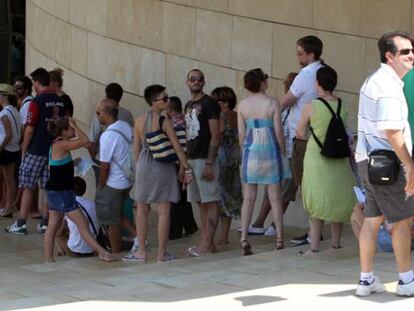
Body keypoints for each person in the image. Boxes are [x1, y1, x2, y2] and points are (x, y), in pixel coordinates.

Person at [355, 31, 414, 297]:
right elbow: (392, 131)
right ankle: (406, 281)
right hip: (388, 165)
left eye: (412, 51)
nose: (411, 55)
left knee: (372, 220)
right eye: (404, 52)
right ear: (389, 56)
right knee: (402, 221)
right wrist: (410, 165)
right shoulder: (388, 87)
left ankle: (366, 281)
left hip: (368, 162)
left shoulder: (374, 80)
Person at [123, 85, 192, 263]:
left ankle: (141, 252)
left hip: (144, 165)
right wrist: (186, 167)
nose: (168, 101)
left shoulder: (138, 121)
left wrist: (139, 170)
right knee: (164, 211)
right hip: (163, 166)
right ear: (154, 102)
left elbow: (136, 150)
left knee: (142, 209)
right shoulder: (164, 121)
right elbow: (177, 147)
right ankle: (161, 253)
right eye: (164, 98)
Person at [295, 66, 356, 255]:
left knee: (317, 200)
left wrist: (308, 137)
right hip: (338, 156)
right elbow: (345, 130)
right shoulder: (342, 105)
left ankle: (313, 247)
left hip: (317, 156)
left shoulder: (311, 106)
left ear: (317, 84)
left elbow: (299, 131)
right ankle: (335, 244)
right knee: (337, 199)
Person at [43, 117, 115, 263]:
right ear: (64, 131)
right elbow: (85, 140)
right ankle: (102, 252)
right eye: (69, 128)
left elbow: (57, 166)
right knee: (82, 223)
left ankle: (49, 259)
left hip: (55, 191)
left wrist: (73, 163)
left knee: (53, 224)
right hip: (62, 193)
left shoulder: (57, 144)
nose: (73, 130)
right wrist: (75, 126)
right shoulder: (62, 144)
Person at [5, 68, 66, 235]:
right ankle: (45, 223)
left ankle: (21, 223)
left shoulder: (36, 102)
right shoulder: (60, 101)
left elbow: (30, 129)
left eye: (34, 83)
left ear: (38, 83)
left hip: (36, 150)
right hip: (53, 150)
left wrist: (23, 151)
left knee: (27, 186)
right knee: (47, 186)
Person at [280, 36, 325, 245]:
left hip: (303, 137)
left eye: (300, 53)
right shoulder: (324, 71)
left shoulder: (305, 74)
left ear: (311, 54)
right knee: (316, 183)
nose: (298, 57)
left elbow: (286, 101)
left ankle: (312, 233)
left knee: (305, 185)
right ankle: (317, 230)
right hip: (320, 134)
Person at [238, 68, 286, 255]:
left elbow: (241, 134)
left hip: (251, 152)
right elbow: (279, 132)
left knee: (248, 197)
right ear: (261, 82)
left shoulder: (242, 105)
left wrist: (245, 150)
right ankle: (280, 237)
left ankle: (244, 238)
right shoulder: (272, 103)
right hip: (271, 151)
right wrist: (282, 152)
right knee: (275, 197)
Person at [247, 72, 298, 236]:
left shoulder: (300, 108)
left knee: (286, 191)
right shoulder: (281, 107)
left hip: (292, 153)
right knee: (270, 190)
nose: (288, 87)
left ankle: (275, 226)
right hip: (276, 153)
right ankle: (259, 222)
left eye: (292, 84)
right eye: (287, 84)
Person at [184, 69, 221, 256]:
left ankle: (207, 244)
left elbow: (216, 134)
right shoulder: (189, 104)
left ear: (204, 82)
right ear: (187, 82)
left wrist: (209, 162)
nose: (196, 81)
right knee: (199, 202)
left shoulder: (210, 103)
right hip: (192, 158)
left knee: (211, 201)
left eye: (199, 79)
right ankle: (207, 242)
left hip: (205, 159)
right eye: (192, 79)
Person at [95, 99, 133, 254]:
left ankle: (116, 253)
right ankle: (139, 239)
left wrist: (101, 185)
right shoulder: (126, 126)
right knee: (120, 215)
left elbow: (104, 167)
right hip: (127, 180)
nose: (97, 116)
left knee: (112, 222)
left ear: (106, 113)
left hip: (113, 184)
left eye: (98, 113)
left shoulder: (107, 135)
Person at [211, 86, 242, 245]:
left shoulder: (221, 116)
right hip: (235, 158)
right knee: (230, 195)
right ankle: (224, 237)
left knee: (218, 198)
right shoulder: (237, 115)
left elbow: (218, 134)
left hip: (222, 158)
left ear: (223, 102)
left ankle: (212, 236)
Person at [88, 83, 134, 186]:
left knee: (102, 192)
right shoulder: (127, 115)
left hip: (103, 161)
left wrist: (94, 157)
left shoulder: (101, 114)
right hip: (123, 162)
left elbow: (92, 141)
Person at [167, 96, 198, 240]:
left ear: (170, 109)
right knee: (184, 198)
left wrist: (181, 168)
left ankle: (175, 231)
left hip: (178, 165)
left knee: (175, 198)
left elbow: (181, 147)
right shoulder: (186, 120)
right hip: (186, 164)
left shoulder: (175, 124)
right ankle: (190, 225)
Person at [56, 177, 100, 257]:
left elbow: (59, 233)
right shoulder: (93, 204)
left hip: (74, 250)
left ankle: (62, 253)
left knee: (58, 234)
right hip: (93, 248)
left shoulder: (69, 205)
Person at [0, 84, 21, 217]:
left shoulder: (4, 113)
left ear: (5, 96)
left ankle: (7, 207)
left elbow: (8, 134)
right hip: (14, 149)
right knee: (10, 179)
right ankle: (8, 207)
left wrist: (0, 148)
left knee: (7, 180)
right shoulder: (14, 110)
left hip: (6, 150)